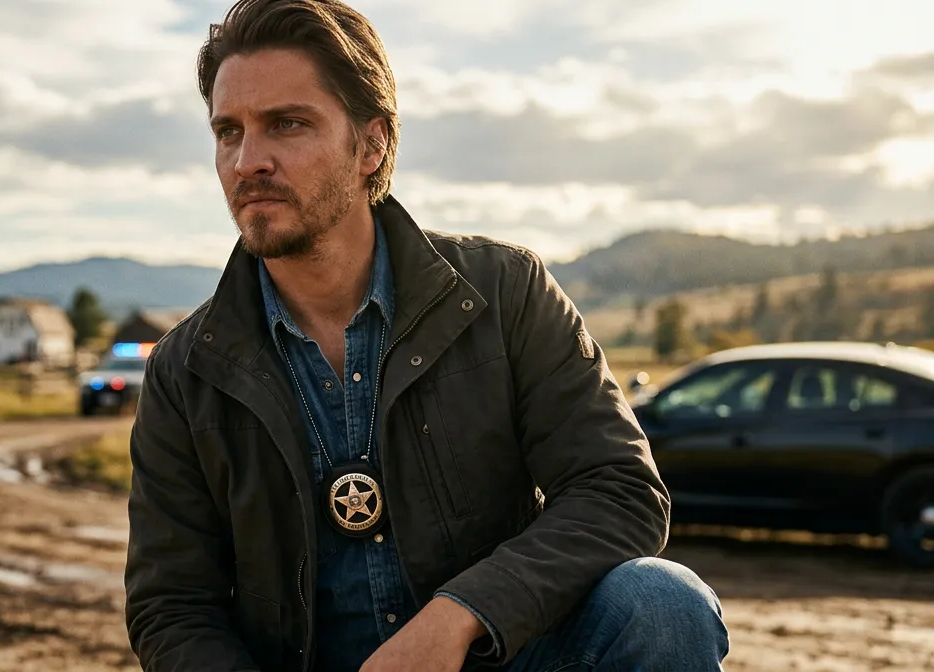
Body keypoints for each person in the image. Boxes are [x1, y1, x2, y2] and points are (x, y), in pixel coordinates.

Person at [122, 1, 730, 670]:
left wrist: (463, 614)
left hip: (498, 652)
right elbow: (172, 606)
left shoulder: (505, 292)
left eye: (287, 125)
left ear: (371, 143)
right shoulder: (185, 371)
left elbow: (618, 488)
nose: (248, 160)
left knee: (662, 602)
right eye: (228, 131)